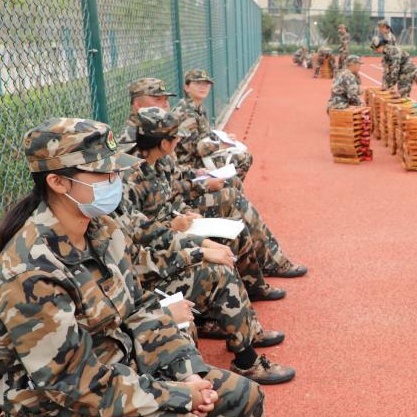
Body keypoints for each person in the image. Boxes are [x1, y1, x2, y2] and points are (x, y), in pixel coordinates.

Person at [0, 117, 311, 417]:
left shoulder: (100, 231)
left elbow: (141, 308)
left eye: (116, 171)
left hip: (118, 377)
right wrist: (178, 395)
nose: (116, 181)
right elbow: (75, 386)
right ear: (57, 182)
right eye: (104, 174)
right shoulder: (29, 273)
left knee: (242, 395)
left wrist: (187, 371)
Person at [125, 107, 294, 384]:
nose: (179, 141)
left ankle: (246, 325)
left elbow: (170, 196)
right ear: (164, 143)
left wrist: (184, 213)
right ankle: (246, 360)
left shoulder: (162, 162)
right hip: (152, 263)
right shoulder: (130, 178)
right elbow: (144, 235)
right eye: (175, 138)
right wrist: (197, 244)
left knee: (231, 239)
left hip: (170, 240)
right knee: (218, 269)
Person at [123, 77, 306, 295]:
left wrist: (190, 194)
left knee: (232, 192)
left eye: (165, 99)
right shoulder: (136, 147)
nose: (164, 104)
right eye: (157, 99)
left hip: (176, 209)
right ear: (137, 105)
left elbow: (171, 179)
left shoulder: (158, 130)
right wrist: (199, 190)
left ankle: (263, 265)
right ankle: (266, 266)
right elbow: (147, 207)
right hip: (161, 228)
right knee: (231, 198)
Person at [173, 68, 252, 179]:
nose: (203, 87)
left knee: (242, 153)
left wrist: (225, 139)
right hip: (189, 164)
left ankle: (228, 186)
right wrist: (220, 145)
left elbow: (206, 134)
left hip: (202, 158)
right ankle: (226, 187)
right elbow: (196, 149)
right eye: (197, 83)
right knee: (242, 159)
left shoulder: (198, 108)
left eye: (206, 84)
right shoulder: (185, 112)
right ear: (187, 87)